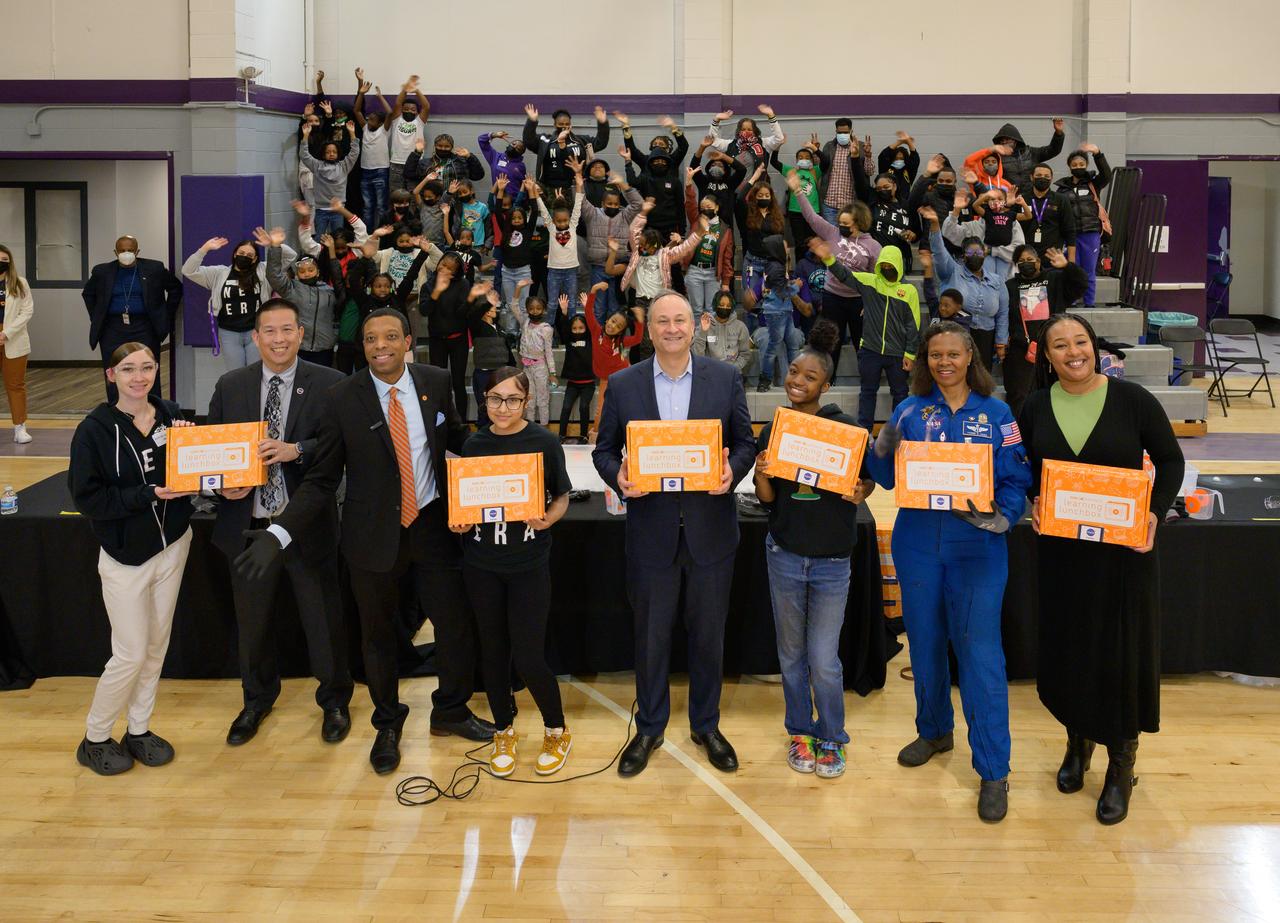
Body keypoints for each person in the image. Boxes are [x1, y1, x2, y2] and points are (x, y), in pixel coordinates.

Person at [235, 308, 492, 774]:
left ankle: (451, 711)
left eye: (390, 337)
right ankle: (387, 723)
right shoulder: (341, 397)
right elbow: (320, 479)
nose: (380, 346)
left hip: (435, 529)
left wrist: (507, 471)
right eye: (371, 339)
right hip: (370, 539)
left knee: (454, 626)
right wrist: (278, 533)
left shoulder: (436, 380)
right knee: (377, 638)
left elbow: (459, 444)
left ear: (408, 340)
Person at [864, 321, 1032, 822]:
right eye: (935, 354)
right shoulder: (908, 410)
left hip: (977, 546)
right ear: (924, 361)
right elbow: (887, 474)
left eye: (953, 354)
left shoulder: (999, 413)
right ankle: (934, 729)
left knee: (980, 655)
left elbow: (1018, 476)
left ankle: (993, 769)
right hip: (917, 544)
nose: (944, 362)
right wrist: (880, 445)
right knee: (926, 643)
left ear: (969, 358)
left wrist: (1001, 515)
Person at [1019, 313, 1184, 825]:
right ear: (1046, 356)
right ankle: (1078, 742)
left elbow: (1170, 460)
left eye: (1081, 342)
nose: (1073, 352)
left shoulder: (1133, 400)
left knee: (1119, 654)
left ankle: (1120, 762)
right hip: (1063, 556)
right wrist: (1031, 503)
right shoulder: (1033, 407)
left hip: (1122, 558)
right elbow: (1022, 471)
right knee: (1069, 648)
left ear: (1095, 346)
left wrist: (1154, 511)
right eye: (1060, 345)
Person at [592, 291, 756, 777]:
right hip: (651, 534)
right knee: (650, 638)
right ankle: (649, 727)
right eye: (662, 321)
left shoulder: (725, 378)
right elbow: (604, 450)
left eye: (679, 320)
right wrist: (616, 477)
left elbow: (745, 442)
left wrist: (733, 471)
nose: (671, 329)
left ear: (695, 324)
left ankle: (706, 724)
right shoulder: (623, 384)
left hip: (711, 532)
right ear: (651, 327)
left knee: (709, 637)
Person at [205, 299, 352, 747]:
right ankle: (256, 700)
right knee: (253, 622)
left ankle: (334, 701)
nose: (279, 339)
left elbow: (337, 448)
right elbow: (212, 450)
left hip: (305, 524)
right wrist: (219, 487)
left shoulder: (331, 384)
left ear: (301, 334)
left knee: (322, 619)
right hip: (248, 524)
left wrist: (297, 450)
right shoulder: (230, 385)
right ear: (255, 337)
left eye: (287, 329)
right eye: (268, 331)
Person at [67, 342, 197, 775]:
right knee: (130, 652)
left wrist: (219, 478)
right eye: (128, 369)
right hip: (126, 558)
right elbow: (89, 498)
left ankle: (138, 728)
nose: (139, 377)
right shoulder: (94, 430)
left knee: (157, 646)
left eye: (146, 367)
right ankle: (96, 736)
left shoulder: (173, 415)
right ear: (111, 375)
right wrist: (147, 495)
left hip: (174, 544)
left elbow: (196, 468)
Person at [753, 320, 874, 780]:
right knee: (791, 655)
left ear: (825, 384)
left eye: (808, 377)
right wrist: (763, 471)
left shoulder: (846, 431)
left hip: (831, 561)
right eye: (793, 373)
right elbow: (766, 500)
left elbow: (864, 483)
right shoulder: (776, 429)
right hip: (783, 553)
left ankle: (832, 736)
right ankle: (800, 730)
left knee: (823, 660)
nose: (797, 382)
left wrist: (860, 489)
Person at [451, 367, 574, 777]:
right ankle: (504, 728)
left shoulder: (544, 441)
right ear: (482, 400)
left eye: (512, 399)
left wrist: (549, 519)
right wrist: (461, 522)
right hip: (481, 565)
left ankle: (556, 729)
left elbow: (561, 496)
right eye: (494, 399)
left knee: (528, 655)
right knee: (492, 652)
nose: (502, 408)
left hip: (527, 565)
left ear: (526, 401)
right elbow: (465, 504)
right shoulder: (473, 444)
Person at [809, 237, 922, 431]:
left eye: (890, 265)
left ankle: (899, 431)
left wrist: (910, 354)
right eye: (883, 265)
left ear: (898, 265)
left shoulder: (908, 291)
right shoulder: (870, 282)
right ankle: (865, 432)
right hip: (870, 350)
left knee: (900, 393)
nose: (887, 268)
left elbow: (914, 325)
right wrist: (829, 259)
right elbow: (845, 275)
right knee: (868, 392)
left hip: (897, 353)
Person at [793, 176, 880, 378]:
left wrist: (870, 302)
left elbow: (877, 279)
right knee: (830, 343)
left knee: (862, 343)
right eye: (840, 222)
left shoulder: (873, 246)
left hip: (859, 301)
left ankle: (867, 381)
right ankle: (826, 382)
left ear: (858, 223)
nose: (841, 226)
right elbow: (812, 218)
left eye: (845, 223)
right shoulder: (833, 234)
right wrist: (798, 191)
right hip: (832, 298)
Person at [82, 236, 183, 400]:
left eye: (130, 250)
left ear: (137, 251)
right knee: (115, 370)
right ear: (115, 252)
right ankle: (116, 411)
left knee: (147, 368)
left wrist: (165, 315)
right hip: (112, 329)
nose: (126, 253)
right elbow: (88, 294)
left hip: (145, 327)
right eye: (122, 250)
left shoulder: (154, 269)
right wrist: (98, 317)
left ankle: (153, 411)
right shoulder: (102, 271)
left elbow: (175, 288)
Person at [183, 236, 297, 371]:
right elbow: (188, 270)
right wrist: (204, 249)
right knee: (236, 374)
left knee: (256, 373)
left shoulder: (263, 270)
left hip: (256, 331)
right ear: (235, 254)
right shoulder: (219, 273)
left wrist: (274, 244)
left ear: (254, 259)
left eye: (249, 255)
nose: (244, 257)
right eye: (241, 253)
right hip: (228, 332)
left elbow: (290, 257)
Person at [920, 206, 1009, 370]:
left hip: (985, 337)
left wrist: (1001, 341)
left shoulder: (997, 280)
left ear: (984, 254)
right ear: (963, 256)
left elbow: (1003, 313)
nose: (975, 256)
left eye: (979, 253)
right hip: (954, 334)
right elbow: (939, 252)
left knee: (980, 381)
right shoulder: (952, 271)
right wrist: (934, 225)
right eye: (970, 253)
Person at [1003, 246, 1088, 415]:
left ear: (1039, 261)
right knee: (1018, 395)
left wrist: (1067, 266)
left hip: (1054, 346)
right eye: (1021, 261)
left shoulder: (1055, 278)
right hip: (1022, 349)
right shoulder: (1010, 286)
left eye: (1030, 260)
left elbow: (1081, 284)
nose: (1026, 263)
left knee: (1055, 392)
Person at [261, 226, 344, 367]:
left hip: (324, 348)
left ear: (318, 272)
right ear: (297, 274)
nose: (307, 273)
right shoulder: (291, 288)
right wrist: (275, 246)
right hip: (298, 347)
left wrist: (331, 252)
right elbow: (273, 275)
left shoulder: (329, 291)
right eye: (302, 271)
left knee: (323, 385)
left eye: (311, 270)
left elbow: (338, 280)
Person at [422, 252, 490, 418]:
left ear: (456, 272)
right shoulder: (429, 285)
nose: (444, 269)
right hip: (437, 340)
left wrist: (470, 299)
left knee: (458, 382)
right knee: (438, 382)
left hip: (458, 339)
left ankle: (460, 422)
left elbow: (462, 315)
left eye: (449, 268)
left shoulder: (463, 284)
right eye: (443, 265)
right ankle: (439, 420)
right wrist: (436, 292)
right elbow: (424, 310)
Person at [583, 283, 645, 438]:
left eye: (618, 325)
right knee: (601, 408)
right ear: (607, 320)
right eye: (612, 321)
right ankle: (595, 435)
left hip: (622, 377)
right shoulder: (596, 332)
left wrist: (639, 321)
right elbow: (588, 312)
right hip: (605, 378)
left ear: (621, 331)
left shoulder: (621, 341)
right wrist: (594, 290)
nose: (613, 325)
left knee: (627, 405)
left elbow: (637, 338)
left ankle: (631, 435)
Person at [1055, 144, 1113, 306]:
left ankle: (1089, 303)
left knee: (1089, 270)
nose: (1078, 167)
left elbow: (1107, 175)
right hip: (1070, 236)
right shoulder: (1062, 190)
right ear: (1069, 167)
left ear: (1086, 165)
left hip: (1091, 233)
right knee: (1072, 269)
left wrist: (1098, 154)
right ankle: (1072, 300)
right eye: (1074, 165)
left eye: (1081, 164)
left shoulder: (1093, 184)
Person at [522, 104, 610, 196]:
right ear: (555, 125)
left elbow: (601, 143)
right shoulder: (545, 140)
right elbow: (529, 141)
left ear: (570, 125)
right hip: (549, 187)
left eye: (567, 124)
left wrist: (603, 123)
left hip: (576, 186)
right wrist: (531, 121)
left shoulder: (581, 140)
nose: (564, 127)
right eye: (560, 124)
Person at [299, 120, 360, 236]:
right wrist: (305, 136)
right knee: (319, 240)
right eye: (328, 152)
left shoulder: (344, 166)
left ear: (338, 153)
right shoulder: (317, 166)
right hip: (321, 210)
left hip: (338, 210)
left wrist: (352, 134)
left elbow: (354, 152)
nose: (331, 154)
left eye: (334, 152)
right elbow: (304, 155)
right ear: (323, 154)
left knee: (338, 238)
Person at [0, 245, 33, 444]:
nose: (1, 262)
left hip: (13, 340)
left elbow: (27, 312)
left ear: (9, 262)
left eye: (4, 259)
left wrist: (6, 333)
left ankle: (20, 427)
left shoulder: (20, 283)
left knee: (15, 385)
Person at [468, 287, 514, 429]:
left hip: (500, 373)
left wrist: (513, 368)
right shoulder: (478, 327)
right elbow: (473, 316)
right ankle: (483, 435)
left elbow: (507, 351)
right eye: (492, 306)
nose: (495, 308)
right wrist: (488, 302)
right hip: (483, 373)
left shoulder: (498, 328)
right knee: (484, 407)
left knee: (499, 406)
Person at [509, 282, 555, 426]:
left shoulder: (546, 328)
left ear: (543, 310)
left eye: (538, 308)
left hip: (540, 367)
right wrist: (518, 288)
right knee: (530, 398)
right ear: (528, 310)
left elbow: (548, 351)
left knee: (542, 399)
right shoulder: (525, 322)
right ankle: (530, 428)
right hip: (526, 367)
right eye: (532, 308)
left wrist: (552, 372)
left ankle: (544, 428)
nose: (535, 311)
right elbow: (514, 307)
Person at [352, 69, 392, 230]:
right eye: (368, 119)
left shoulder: (384, 130)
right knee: (368, 207)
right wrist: (361, 93)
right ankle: (368, 235)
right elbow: (356, 111)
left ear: (381, 123)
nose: (369, 121)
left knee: (382, 207)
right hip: (366, 172)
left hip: (380, 171)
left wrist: (379, 96)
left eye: (373, 120)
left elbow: (390, 112)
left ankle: (382, 236)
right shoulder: (365, 129)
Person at [706, 104, 785, 175]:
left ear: (755, 131)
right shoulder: (730, 145)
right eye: (743, 129)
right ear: (739, 131)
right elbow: (712, 140)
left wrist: (771, 115)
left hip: (757, 189)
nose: (746, 132)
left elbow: (779, 139)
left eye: (749, 129)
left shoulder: (764, 143)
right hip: (736, 188)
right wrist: (716, 120)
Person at [1019, 163, 1076, 260]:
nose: (1042, 178)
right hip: (1026, 255)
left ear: (1051, 178)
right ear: (1031, 177)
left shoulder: (1061, 200)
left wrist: (1071, 263)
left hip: (1052, 255)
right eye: (1038, 175)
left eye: (1046, 176)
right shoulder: (1021, 199)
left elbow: (1070, 230)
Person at [557, 304, 595, 442]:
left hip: (588, 384)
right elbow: (563, 328)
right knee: (566, 407)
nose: (577, 331)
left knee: (584, 407)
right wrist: (564, 313)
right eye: (574, 328)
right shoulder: (569, 340)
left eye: (581, 328)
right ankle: (561, 435)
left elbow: (593, 326)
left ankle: (584, 435)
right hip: (572, 383)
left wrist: (587, 309)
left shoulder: (591, 340)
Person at [692, 291, 751, 379]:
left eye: (728, 305)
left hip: (733, 373)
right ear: (715, 305)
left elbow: (745, 354)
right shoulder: (705, 325)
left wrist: (734, 368)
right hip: (711, 373)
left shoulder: (740, 327)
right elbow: (697, 354)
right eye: (722, 304)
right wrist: (703, 332)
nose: (725, 307)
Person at [387, 76, 429, 191]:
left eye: (413, 109)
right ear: (402, 110)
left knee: (413, 194)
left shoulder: (419, 122)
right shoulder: (397, 120)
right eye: (406, 109)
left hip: (415, 163)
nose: (409, 111)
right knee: (396, 195)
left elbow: (426, 106)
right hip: (396, 163)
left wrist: (416, 90)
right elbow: (397, 104)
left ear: (416, 112)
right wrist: (405, 90)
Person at [820, 118, 860, 223]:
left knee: (849, 237)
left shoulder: (860, 146)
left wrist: (868, 156)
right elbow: (821, 169)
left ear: (851, 131)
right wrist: (816, 153)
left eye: (845, 132)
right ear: (836, 131)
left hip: (850, 205)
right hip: (829, 204)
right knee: (831, 238)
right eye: (839, 132)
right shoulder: (829, 146)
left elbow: (869, 172)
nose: (842, 134)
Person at [877, 131, 920, 202]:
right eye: (896, 159)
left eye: (901, 159)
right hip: (886, 202)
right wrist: (899, 142)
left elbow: (915, 160)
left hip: (904, 203)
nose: (899, 160)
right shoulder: (886, 169)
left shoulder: (908, 171)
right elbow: (882, 156)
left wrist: (909, 142)